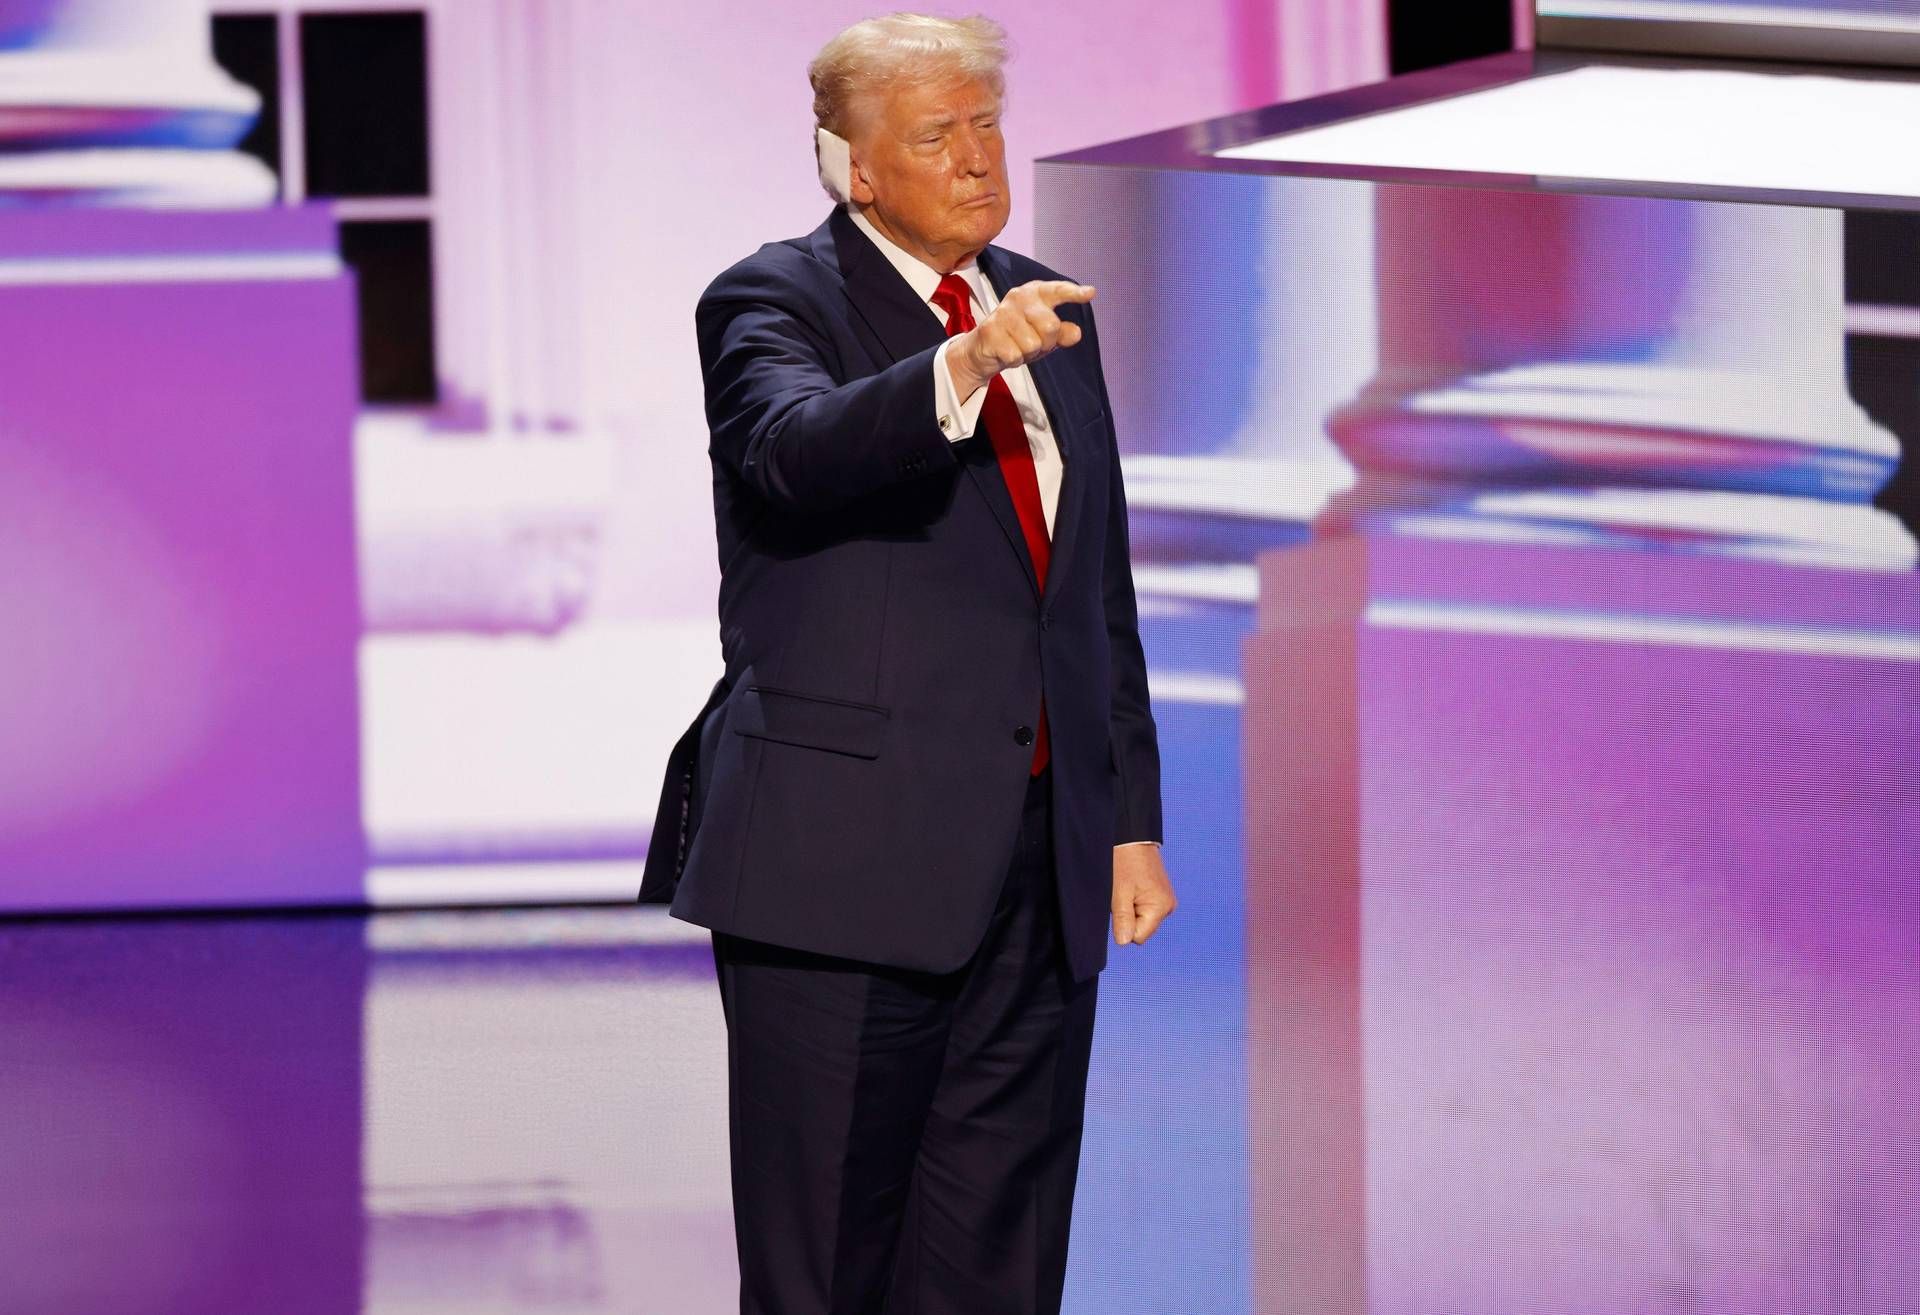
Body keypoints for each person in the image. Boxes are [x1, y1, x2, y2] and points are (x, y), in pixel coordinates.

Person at [641, 13, 1176, 1312]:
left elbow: (1089, 591)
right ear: (855, 168)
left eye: (987, 123)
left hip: (1037, 863)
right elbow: (793, 450)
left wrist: (1125, 821)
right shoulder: (773, 298)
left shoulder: (1043, 302)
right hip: (842, 863)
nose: (979, 158)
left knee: (1001, 1255)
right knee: (830, 1262)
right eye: (937, 136)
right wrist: (965, 360)